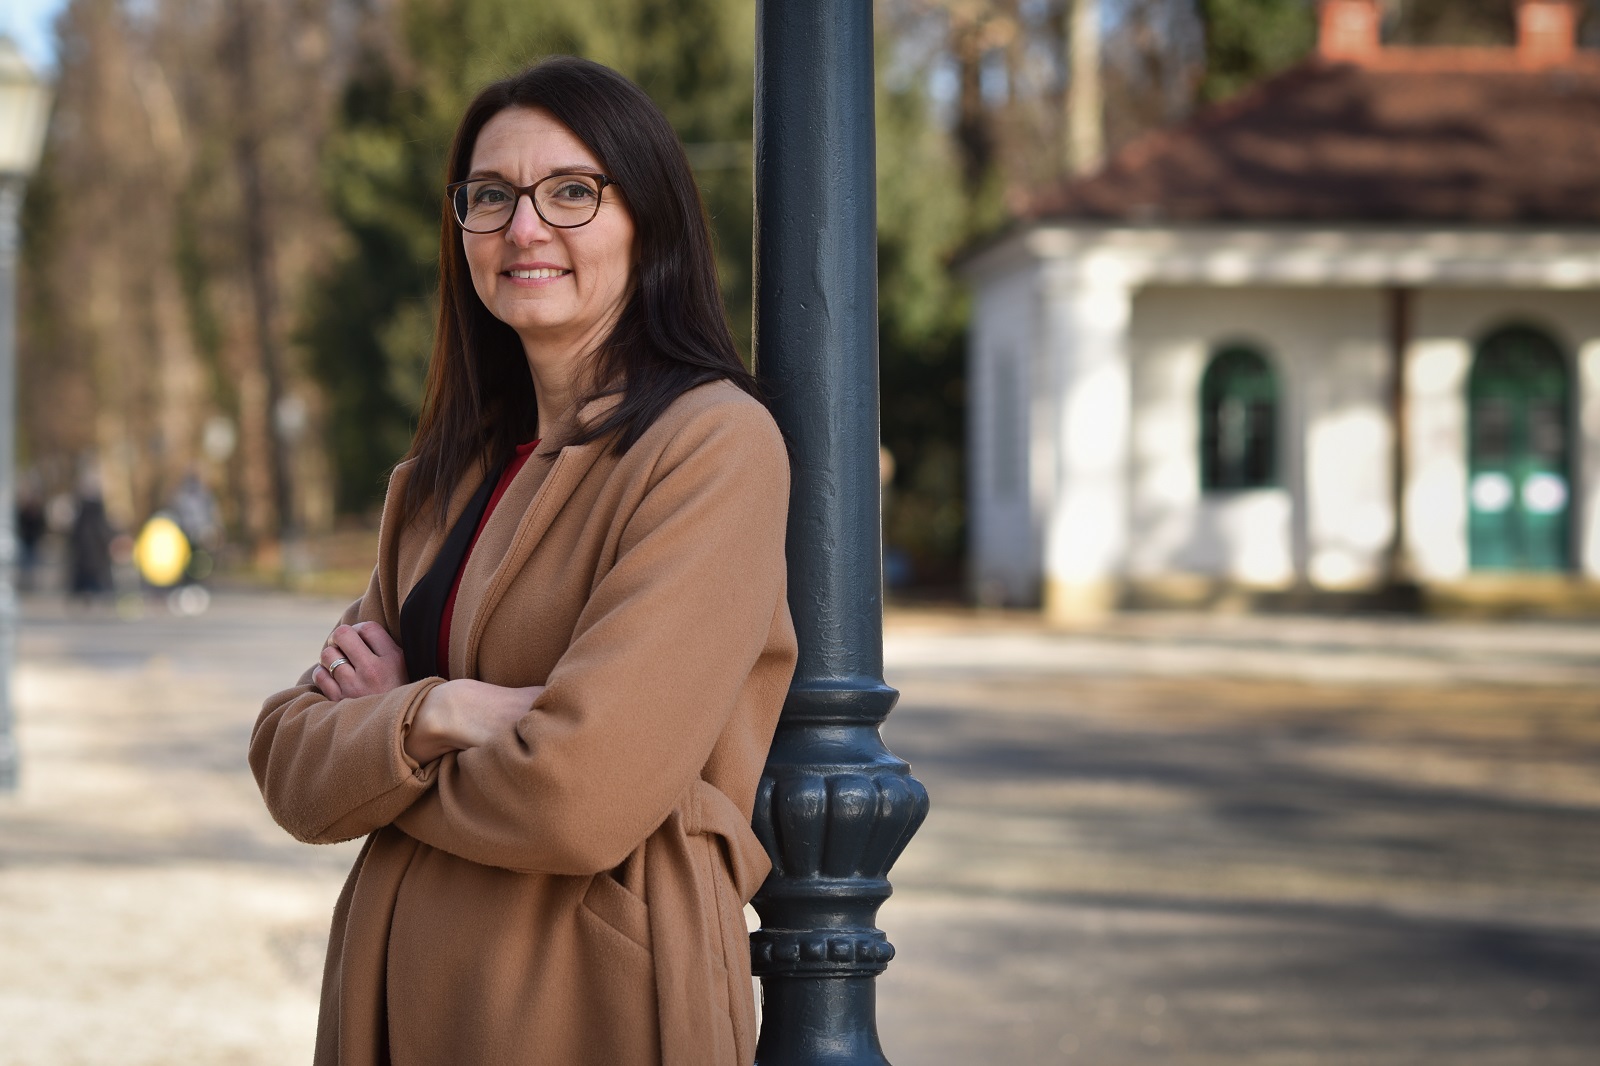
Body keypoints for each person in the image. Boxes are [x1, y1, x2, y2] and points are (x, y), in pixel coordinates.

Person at [250, 57, 796, 1066]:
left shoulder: (711, 445)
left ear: (650, 220)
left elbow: (579, 798)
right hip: (396, 1001)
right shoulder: (439, 479)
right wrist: (440, 710)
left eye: (572, 192)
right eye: (490, 196)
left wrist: (384, 734)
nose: (523, 228)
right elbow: (289, 764)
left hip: (585, 999)